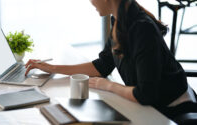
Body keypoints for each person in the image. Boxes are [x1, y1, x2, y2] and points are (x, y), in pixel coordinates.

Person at [25, 0, 197, 123]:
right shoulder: (119, 19)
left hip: (173, 108)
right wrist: (52, 68)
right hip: (151, 104)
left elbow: (145, 94)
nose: (90, 2)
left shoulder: (141, 29)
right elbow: (102, 66)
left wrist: (108, 86)